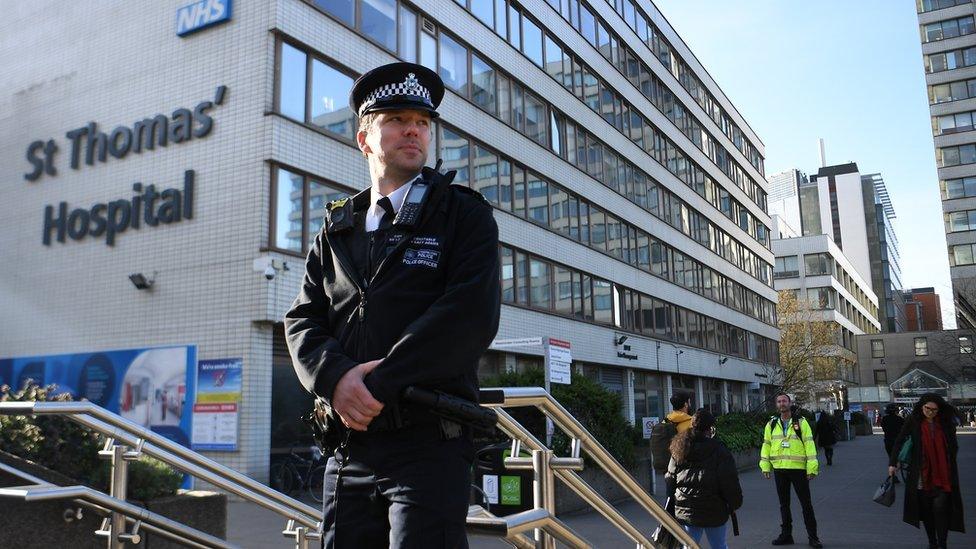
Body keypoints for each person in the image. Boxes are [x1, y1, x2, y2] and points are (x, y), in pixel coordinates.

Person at [284, 61, 501, 548]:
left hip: (428, 443)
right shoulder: (337, 226)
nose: (413, 130)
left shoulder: (463, 214)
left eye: (422, 122)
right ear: (364, 138)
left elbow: (467, 316)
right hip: (349, 446)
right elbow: (303, 319)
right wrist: (336, 380)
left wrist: (373, 386)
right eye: (397, 119)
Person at [887, 394, 965, 549]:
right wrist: (892, 463)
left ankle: (942, 544)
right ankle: (932, 542)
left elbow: (953, 445)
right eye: (927, 409)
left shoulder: (945, 423)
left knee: (941, 508)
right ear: (921, 407)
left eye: (934, 410)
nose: (930, 412)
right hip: (921, 474)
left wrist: (948, 459)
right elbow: (900, 439)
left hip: (944, 474)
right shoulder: (914, 421)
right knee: (927, 511)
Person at [666, 409, 742, 549]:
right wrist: (735, 503)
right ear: (710, 428)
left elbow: (670, 477)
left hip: (687, 507)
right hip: (714, 508)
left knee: (688, 546)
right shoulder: (719, 449)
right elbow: (729, 481)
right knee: (719, 545)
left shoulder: (680, 446)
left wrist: (673, 501)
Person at [760, 393, 822, 548]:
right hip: (780, 469)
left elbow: (809, 445)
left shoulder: (801, 422)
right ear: (776, 405)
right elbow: (766, 445)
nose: (782, 404)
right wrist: (765, 466)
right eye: (779, 401)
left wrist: (812, 468)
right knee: (783, 505)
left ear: (790, 403)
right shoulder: (772, 424)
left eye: (784, 401)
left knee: (806, 504)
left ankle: (813, 537)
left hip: (798, 470)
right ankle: (786, 535)